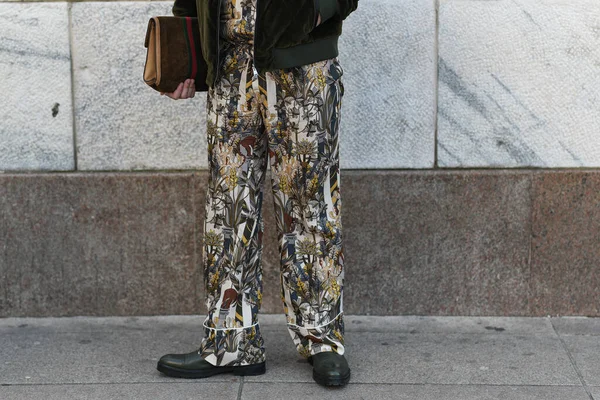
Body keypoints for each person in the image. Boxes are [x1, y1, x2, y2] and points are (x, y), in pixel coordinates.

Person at [155, 0, 358, 387]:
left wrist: (313, 13)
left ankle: (321, 338)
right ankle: (230, 342)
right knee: (226, 208)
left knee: (309, 203)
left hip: (303, 68)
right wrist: (186, 52)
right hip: (230, 70)